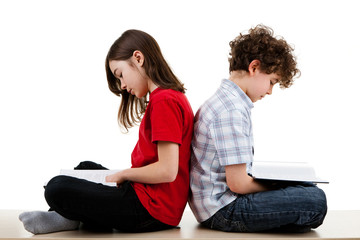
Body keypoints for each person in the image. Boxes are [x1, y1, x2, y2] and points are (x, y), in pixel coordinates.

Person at [19, 29, 194, 234]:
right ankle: (72, 216)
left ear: (138, 58)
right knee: (84, 167)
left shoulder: (164, 101)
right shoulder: (167, 97)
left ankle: (68, 217)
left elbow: (167, 170)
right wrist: (124, 177)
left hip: (151, 210)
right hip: (146, 197)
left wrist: (125, 174)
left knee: (56, 187)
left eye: (121, 75)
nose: (122, 85)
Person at [188, 24, 327, 233]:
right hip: (223, 210)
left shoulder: (228, 102)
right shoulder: (230, 110)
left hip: (218, 204)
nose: (270, 91)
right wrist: (275, 186)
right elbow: (238, 184)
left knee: (305, 186)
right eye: (271, 82)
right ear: (254, 67)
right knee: (316, 200)